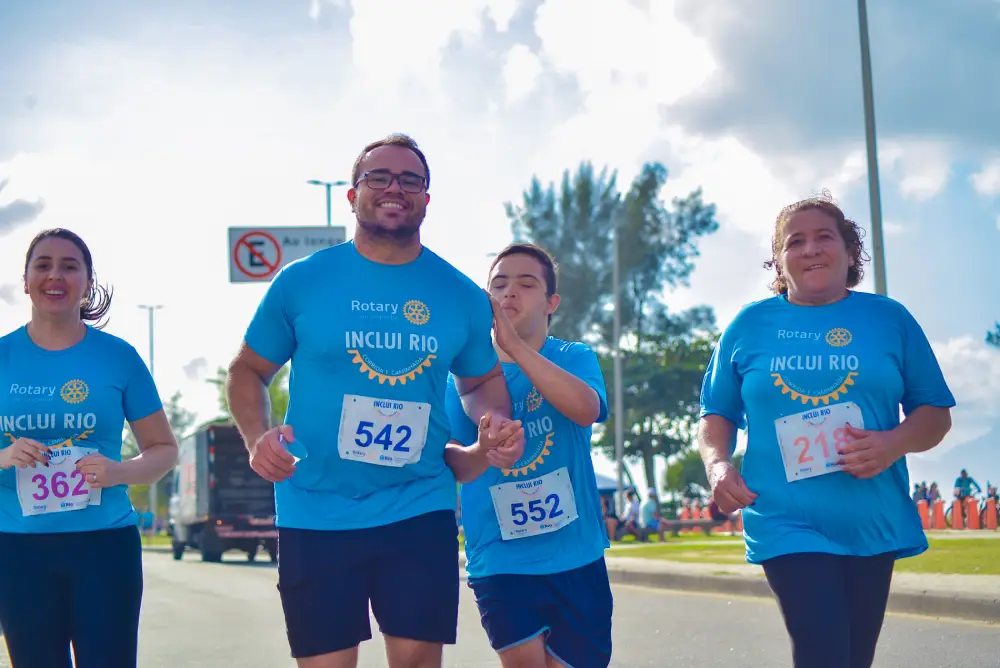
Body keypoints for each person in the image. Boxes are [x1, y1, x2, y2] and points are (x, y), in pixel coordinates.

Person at [225, 133, 524, 668]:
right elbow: (248, 370)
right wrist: (255, 438)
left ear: (426, 198)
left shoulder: (459, 294)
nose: (394, 188)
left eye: (410, 180)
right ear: (353, 195)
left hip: (418, 502)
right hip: (314, 506)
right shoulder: (301, 282)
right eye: (379, 177)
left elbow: (480, 384)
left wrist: (494, 423)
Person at [697, 195, 955, 668]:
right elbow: (716, 412)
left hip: (870, 517)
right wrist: (717, 465)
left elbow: (935, 414)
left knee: (853, 657)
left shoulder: (889, 319)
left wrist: (892, 443)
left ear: (850, 251)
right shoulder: (749, 325)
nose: (811, 249)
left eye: (824, 237)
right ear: (779, 260)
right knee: (823, 651)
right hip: (784, 517)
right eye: (795, 241)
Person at [0, 228, 179, 668]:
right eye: (43, 265)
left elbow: (163, 449)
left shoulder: (118, 357)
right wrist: (3, 457)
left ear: (87, 282)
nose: (55, 275)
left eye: (69, 266)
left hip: (104, 547)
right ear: (26, 281)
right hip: (17, 549)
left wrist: (119, 471)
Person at [444, 243, 613, 668]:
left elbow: (586, 409)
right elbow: (454, 463)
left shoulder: (573, 357)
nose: (510, 293)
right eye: (499, 284)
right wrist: (483, 450)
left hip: (576, 555)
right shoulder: (462, 380)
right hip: (500, 558)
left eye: (526, 283)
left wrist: (516, 348)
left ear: (551, 302)